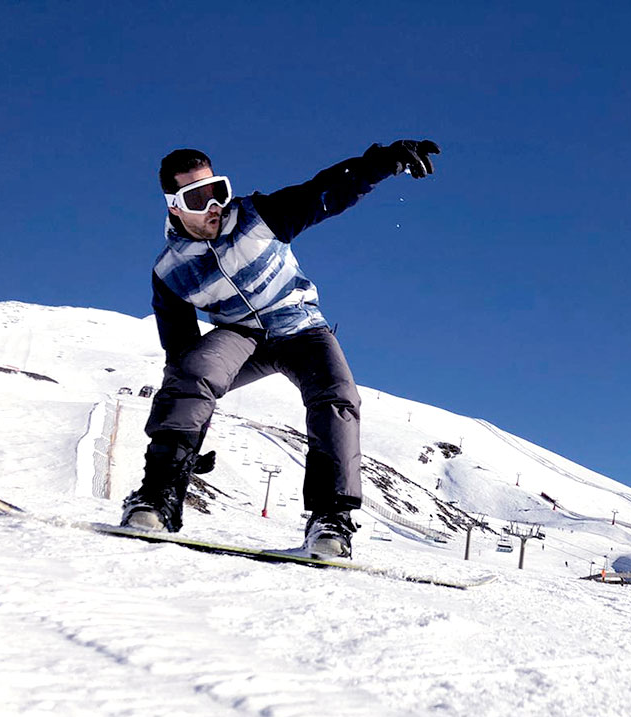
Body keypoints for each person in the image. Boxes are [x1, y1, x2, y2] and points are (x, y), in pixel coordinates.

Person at [120, 139, 440, 558]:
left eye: (218, 190)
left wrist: (382, 161)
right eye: (198, 197)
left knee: (337, 396)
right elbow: (178, 353)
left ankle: (331, 519)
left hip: (301, 327)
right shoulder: (170, 271)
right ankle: (158, 496)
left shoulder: (260, 216)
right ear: (174, 206)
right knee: (193, 369)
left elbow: (327, 191)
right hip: (242, 337)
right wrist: (182, 445)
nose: (214, 204)